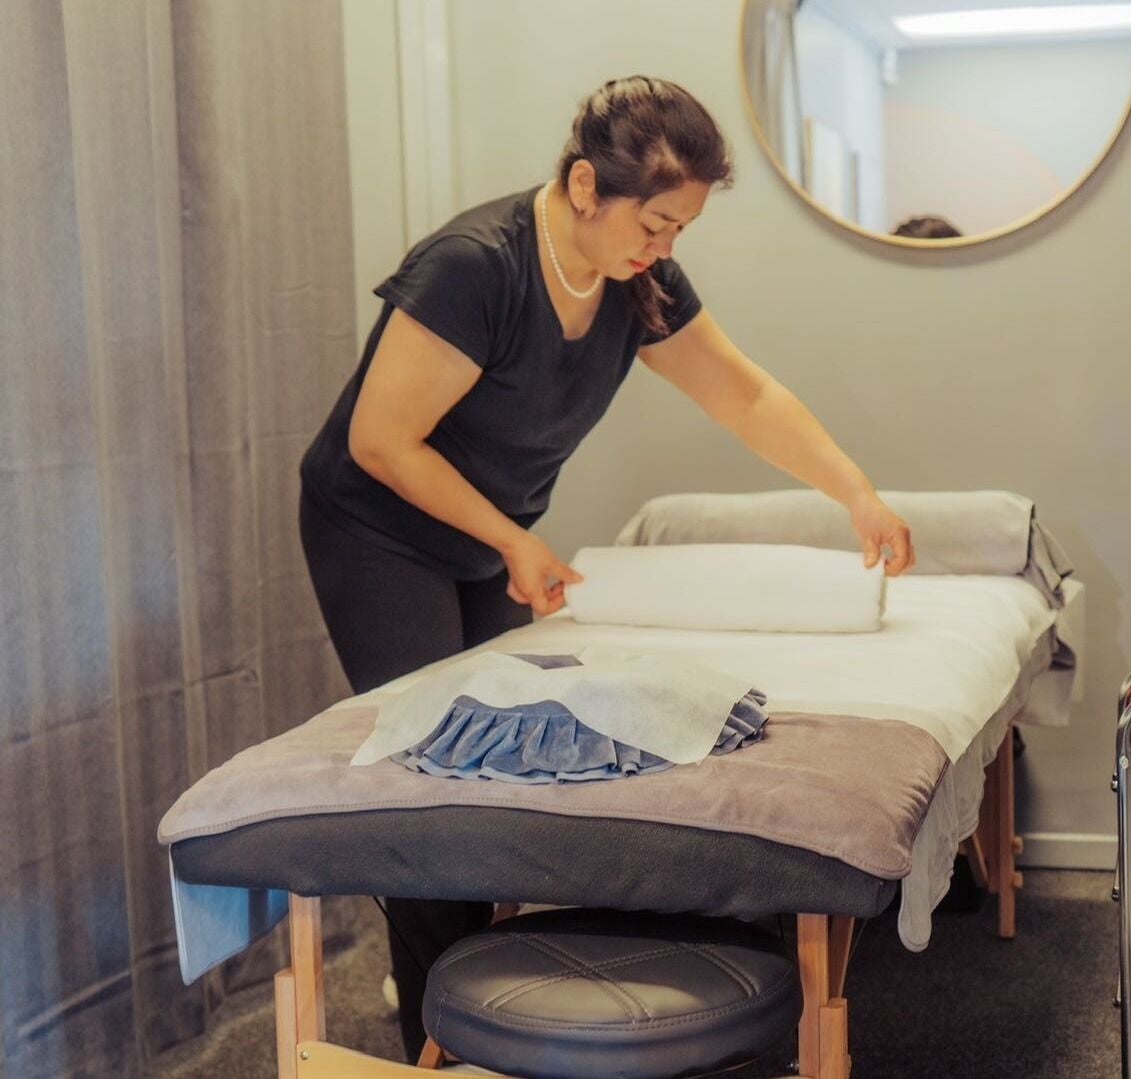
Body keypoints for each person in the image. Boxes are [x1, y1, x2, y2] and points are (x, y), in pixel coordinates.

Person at [297, 75, 915, 1062]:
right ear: (587, 185)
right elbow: (382, 440)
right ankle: (440, 1027)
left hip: (481, 532)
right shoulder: (474, 267)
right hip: (377, 526)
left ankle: (474, 986)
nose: (663, 247)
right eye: (656, 222)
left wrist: (857, 492)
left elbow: (746, 397)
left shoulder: (637, 283)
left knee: (504, 749)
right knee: (432, 760)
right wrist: (512, 541)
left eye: (679, 230)